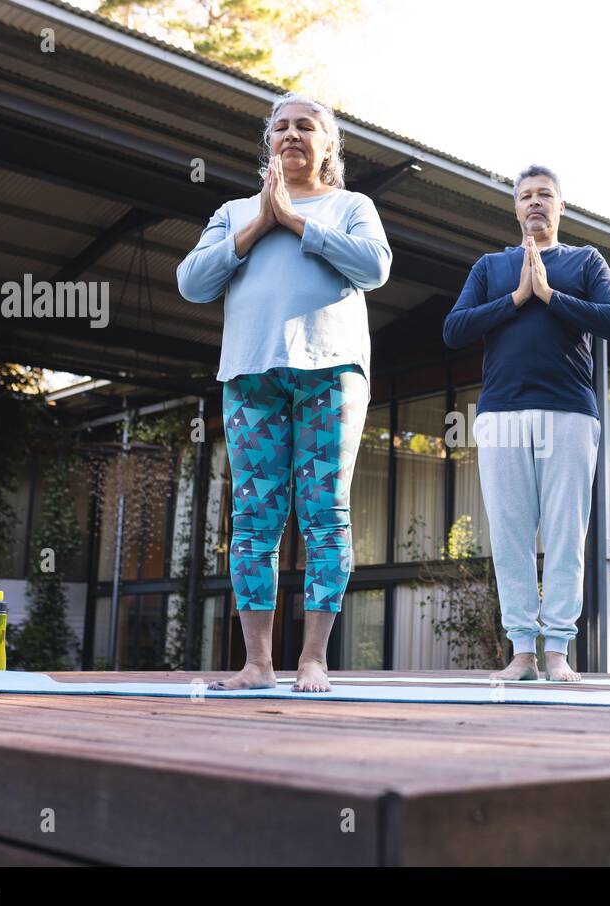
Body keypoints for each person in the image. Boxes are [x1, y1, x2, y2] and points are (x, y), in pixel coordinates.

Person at [176, 93, 391, 692]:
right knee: (253, 522)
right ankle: (258, 663)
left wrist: (297, 222)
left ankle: (314, 659)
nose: (292, 134)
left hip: (331, 373)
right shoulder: (234, 210)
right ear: (268, 143)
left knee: (325, 514)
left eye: (306, 126)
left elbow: (375, 268)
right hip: (251, 376)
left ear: (328, 146)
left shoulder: (351, 206)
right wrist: (258, 227)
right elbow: (191, 283)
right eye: (281, 127)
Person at [443, 165, 610, 681]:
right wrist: (517, 299)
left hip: (569, 412)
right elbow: (454, 329)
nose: (535, 203)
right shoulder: (490, 267)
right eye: (525, 196)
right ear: (515, 208)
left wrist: (550, 297)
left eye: (545, 194)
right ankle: (522, 653)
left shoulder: (586, 261)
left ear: (561, 206)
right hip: (501, 414)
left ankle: (558, 655)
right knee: (511, 536)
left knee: (567, 535)